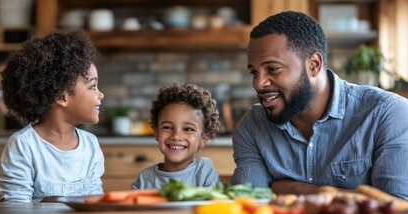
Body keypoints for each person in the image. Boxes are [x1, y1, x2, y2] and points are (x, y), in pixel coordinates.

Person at [230, 11, 408, 200]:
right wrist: (351, 197)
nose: (259, 84)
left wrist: (288, 188)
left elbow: (397, 211)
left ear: (314, 65)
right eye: (254, 72)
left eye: (272, 69)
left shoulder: (387, 114)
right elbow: (249, 202)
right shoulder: (252, 126)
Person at [0, 31, 105, 202]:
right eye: (93, 87)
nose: (101, 95)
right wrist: (46, 204)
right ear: (62, 97)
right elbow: (15, 206)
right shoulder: (24, 145)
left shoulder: (91, 145)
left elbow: (95, 202)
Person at [131, 82, 222, 189]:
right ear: (156, 132)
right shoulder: (144, 179)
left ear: (203, 139)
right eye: (167, 127)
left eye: (188, 129)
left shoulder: (204, 172)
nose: (176, 136)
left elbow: (216, 203)